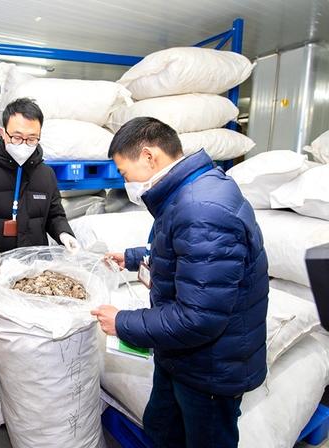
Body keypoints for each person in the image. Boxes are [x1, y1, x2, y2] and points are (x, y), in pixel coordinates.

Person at [91, 117, 269, 448]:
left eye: (125, 173)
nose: (126, 182)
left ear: (149, 156)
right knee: (161, 428)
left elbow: (199, 317)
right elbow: (186, 252)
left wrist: (122, 322)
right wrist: (133, 258)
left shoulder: (201, 209)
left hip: (209, 371)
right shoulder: (189, 192)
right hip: (181, 357)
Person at [0, 97, 79, 426]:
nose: (24, 144)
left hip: (33, 278)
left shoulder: (45, 175)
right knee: (0, 340)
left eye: (32, 138)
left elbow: (54, 214)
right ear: (3, 132)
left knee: (31, 339)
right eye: (17, 137)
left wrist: (64, 233)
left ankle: (30, 394)